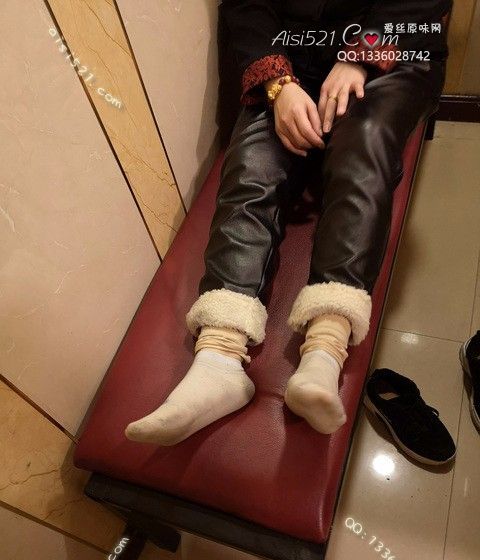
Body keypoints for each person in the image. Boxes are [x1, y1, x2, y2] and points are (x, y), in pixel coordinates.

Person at [126, 0, 451, 446]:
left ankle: (325, 351)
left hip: (390, 50)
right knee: (251, 167)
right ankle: (218, 359)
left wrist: (359, 53)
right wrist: (279, 83)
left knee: (361, 151)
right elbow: (247, 4)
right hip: (292, 57)